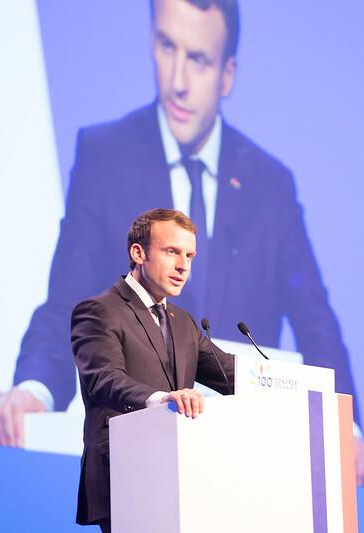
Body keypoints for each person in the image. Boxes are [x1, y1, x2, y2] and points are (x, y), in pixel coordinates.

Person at [0, 0, 364, 485]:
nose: (177, 80)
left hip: (247, 462)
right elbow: (67, 302)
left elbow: (315, 323)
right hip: (138, 456)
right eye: (166, 46)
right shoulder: (105, 156)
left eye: (198, 59)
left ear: (228, 74)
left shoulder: (269, 183)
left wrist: (348, 429)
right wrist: (35, 391)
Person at [73, 208, 234, 532]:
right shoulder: (100, 310)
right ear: (138, 252)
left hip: (181, 472)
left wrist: (289, 384)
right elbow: (103, 378)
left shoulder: (184, 322)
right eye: (172, 251)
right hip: (126, 471)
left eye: (190, 255)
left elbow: (227, 373)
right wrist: (162, 398)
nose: (183, 265)